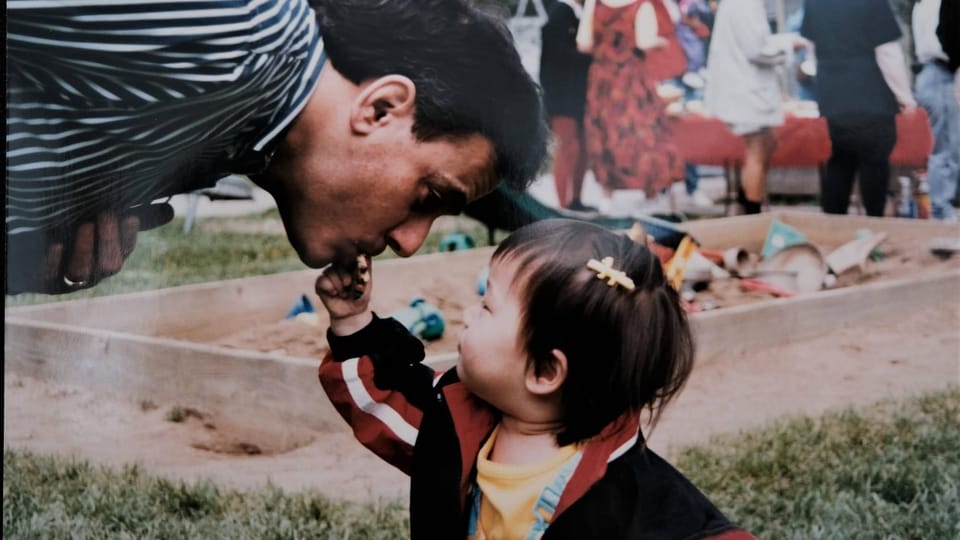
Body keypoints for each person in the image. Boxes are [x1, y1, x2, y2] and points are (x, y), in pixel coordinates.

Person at [6, 0, 548, 295]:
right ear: (381, 108)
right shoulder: (230, 28)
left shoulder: (249, 130)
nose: (409, 243)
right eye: (428, 196)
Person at [316, 218, 757, 539]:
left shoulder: (624, 495)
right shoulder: (454, 420)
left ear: (544, 371)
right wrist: (353, 321)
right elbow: (388, 398)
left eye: (487, 307)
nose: (469, 315)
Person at [800, 0, 916, 217]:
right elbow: (888, 52)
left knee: (841, 162)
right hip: (871, 95)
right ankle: (874, 225)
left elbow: (812, 51)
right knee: (874, 164)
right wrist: (904, 96)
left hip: (834, 97)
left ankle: (833, 226)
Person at [577, 0, 685, 213]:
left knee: (604, 134)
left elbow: (583, 43)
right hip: (631, 79)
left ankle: (606, 196)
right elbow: (644, 42)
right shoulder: (641, 5)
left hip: (603, 80)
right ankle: (649, 193)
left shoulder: (596, 4)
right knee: (645, 133)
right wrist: (660, 42)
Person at [705, 0, 787, 215]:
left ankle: (747, 202)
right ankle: (752, 214)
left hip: (745, 87)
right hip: (747, 90)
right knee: (757, 150)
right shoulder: (745, 4)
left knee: (768, 143)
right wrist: (786, 47)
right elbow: (756, 50)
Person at [540, 0, 595, 212]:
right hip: (561, 97)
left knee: (583, 150)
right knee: (568, 148)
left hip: (580, 96)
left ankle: (576, 200)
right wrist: (589, 55)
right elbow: (557, 56)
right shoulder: (560, 13)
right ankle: (563, 204)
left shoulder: (580, 13)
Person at [914, 0, 959, 222]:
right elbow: (946, 39)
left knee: (947, 146)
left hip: (933, 74)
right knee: (947, 148)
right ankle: (943, 211)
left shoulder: (923, 4)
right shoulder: (936, 4)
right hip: (940, 73)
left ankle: (943, 207)